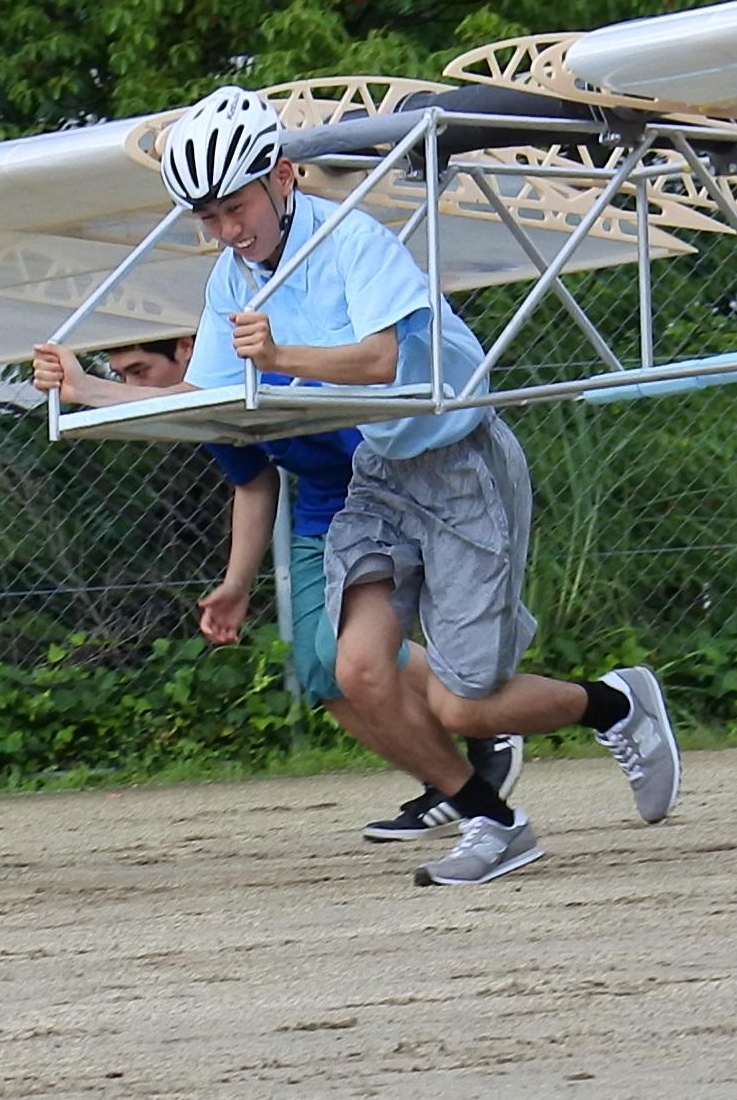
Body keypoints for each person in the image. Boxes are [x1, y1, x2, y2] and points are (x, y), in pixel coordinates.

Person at [87, 87, 674, 886]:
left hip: (459, 463)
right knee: (354, 670)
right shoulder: (231, 277)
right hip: (379, 475)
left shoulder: (351, 237)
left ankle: (616, 703)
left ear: (282, 176)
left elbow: (383, 362)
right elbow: (212, 397)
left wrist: (281, 352)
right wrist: (85, 392)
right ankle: (492, 821)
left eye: (233, 208)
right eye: (208, 218)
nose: (226, 232)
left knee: (467, 704)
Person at [32, 327, 510, 843]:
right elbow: (255, 482)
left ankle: (483, 708)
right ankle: (451, 786)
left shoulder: (277, 366)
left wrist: (88, 389)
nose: (131, 384)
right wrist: (236, 584)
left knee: (350, 656)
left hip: (392, 505)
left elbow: (394, 447)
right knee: (320, 672)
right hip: (323, 517)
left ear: (189, 352)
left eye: (140, 372)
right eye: (122, 376)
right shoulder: (213, 410)